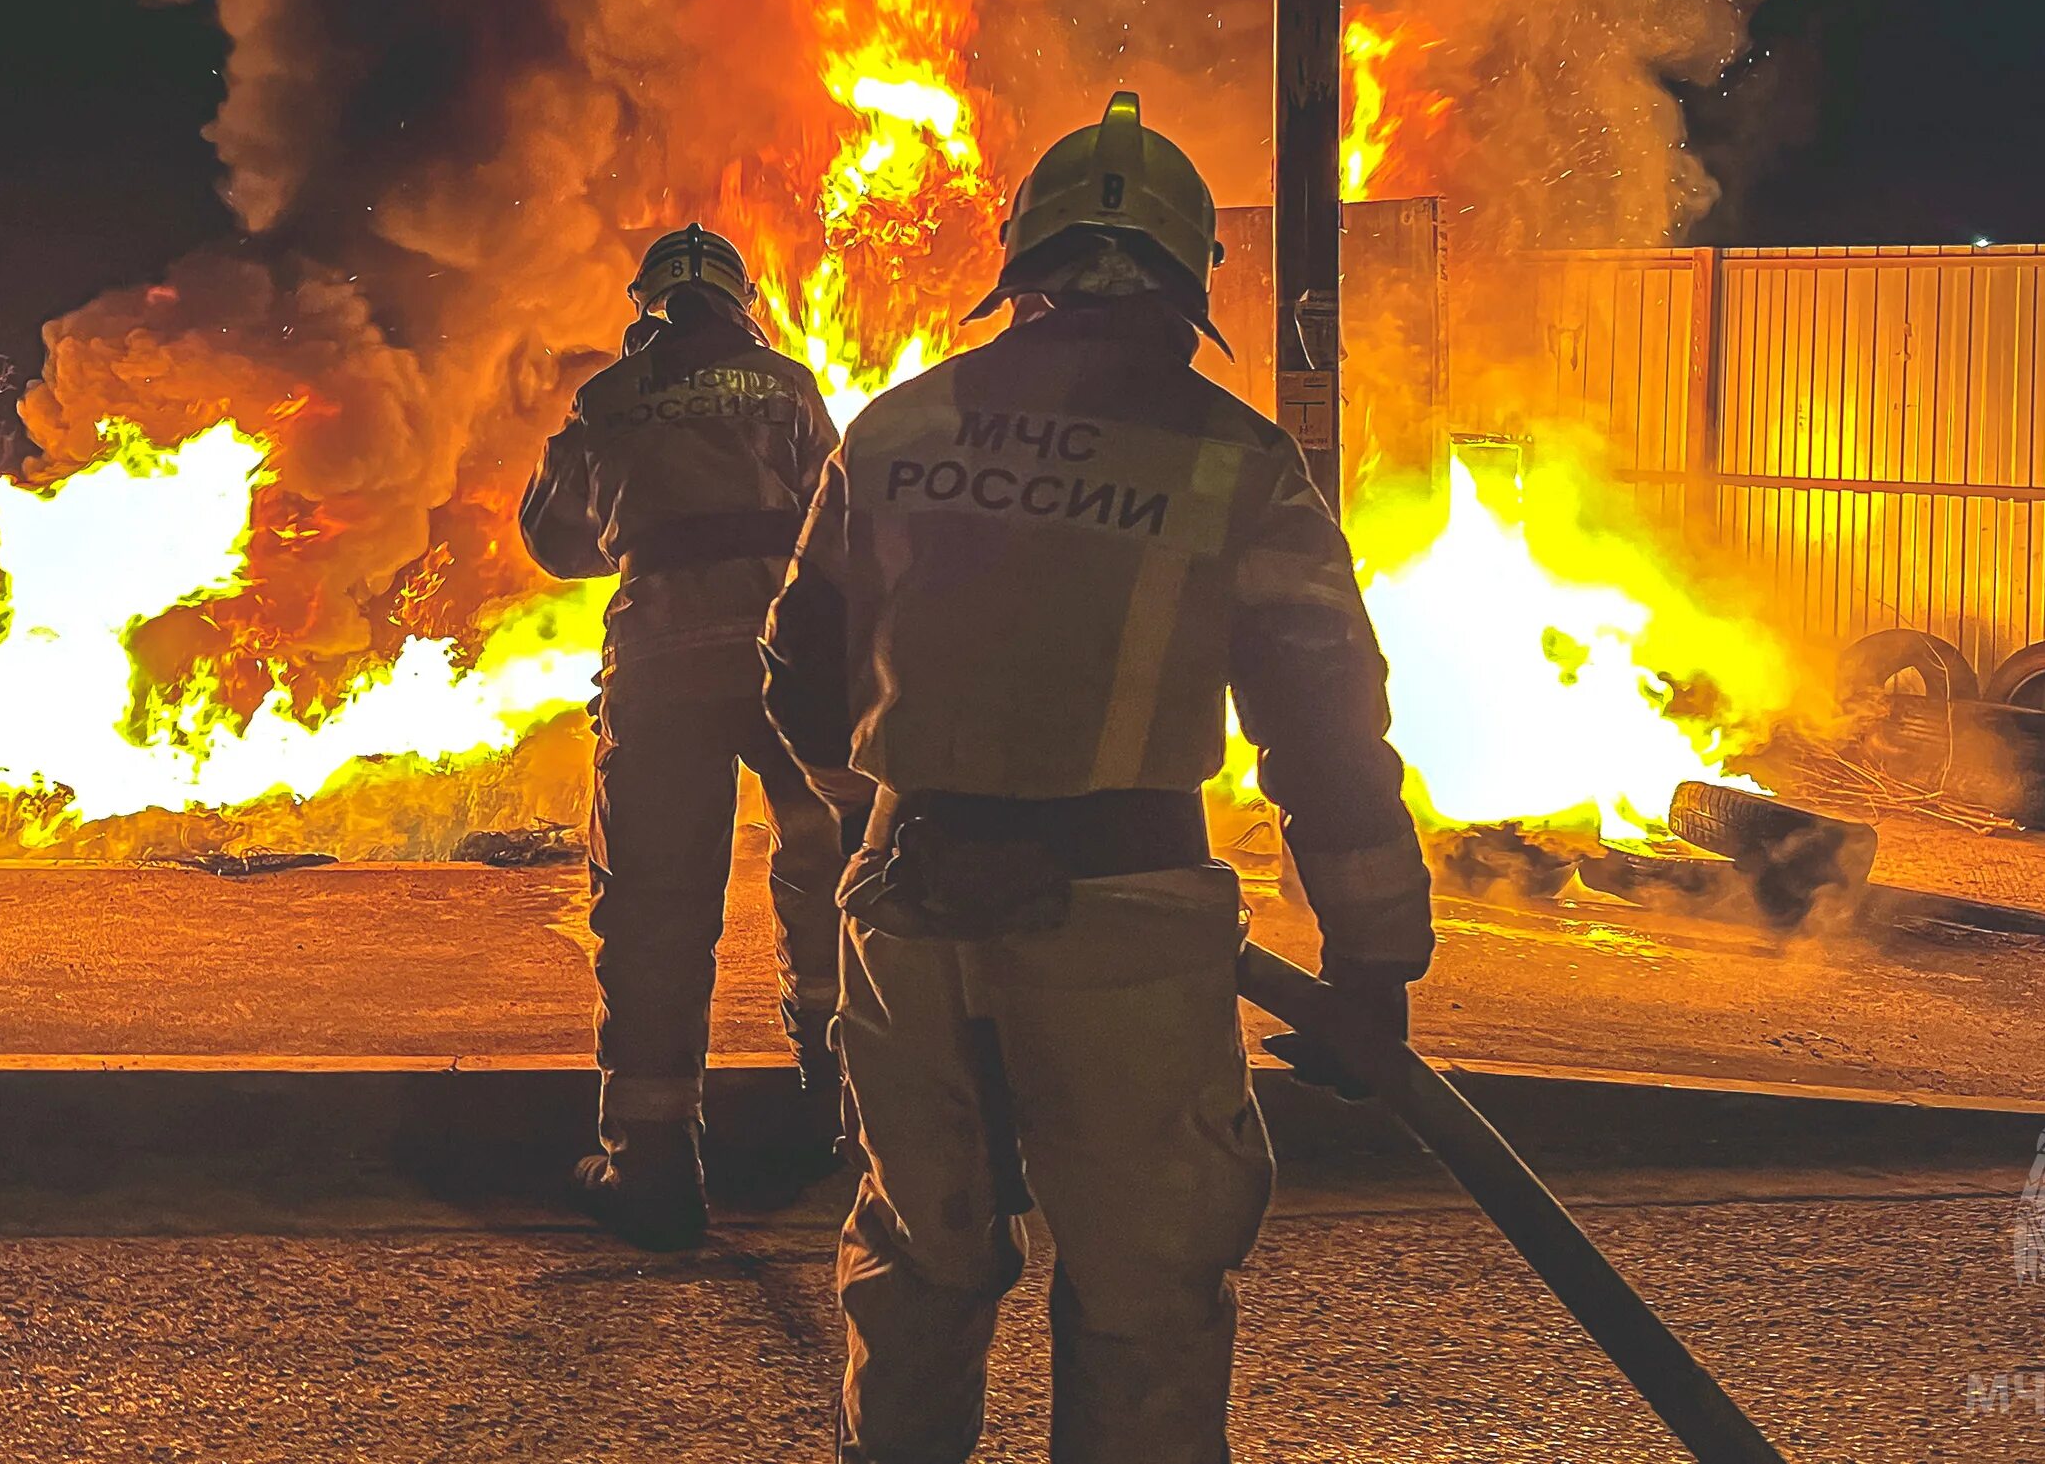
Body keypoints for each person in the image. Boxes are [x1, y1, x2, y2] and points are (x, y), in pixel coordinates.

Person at [762, 93, 1435, 1462]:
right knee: (1145, 1289)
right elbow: (1324, 730)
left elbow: (791, 674)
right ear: (1191, 284)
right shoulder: (1239, 462)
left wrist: (908, 803)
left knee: (919, 1260)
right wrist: (1374, 960)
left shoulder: (891, 431)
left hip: (910, 910)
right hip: (1124, 922)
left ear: (1023, 267)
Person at [519, 222, 862, 1251]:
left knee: (655, 912)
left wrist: (645, 518)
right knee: (833, 878)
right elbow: (839, 514)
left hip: (662, 666)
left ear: (647, 308)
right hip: (789, 665)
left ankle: (653, 1164)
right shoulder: (791, 387)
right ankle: (844, 1114)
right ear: (741, 301)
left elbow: (553, 539)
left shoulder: (607, 400)